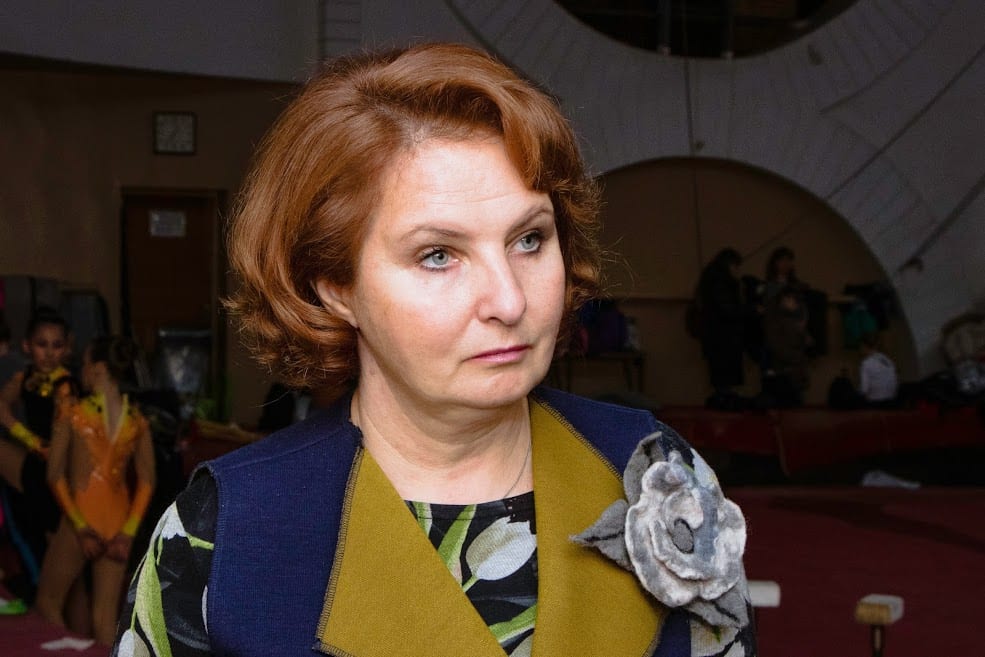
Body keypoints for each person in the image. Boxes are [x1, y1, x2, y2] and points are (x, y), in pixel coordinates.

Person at [113, 43, 755, 657]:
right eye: (439, 255)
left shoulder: (655, 473)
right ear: (335, 285)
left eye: (530, 239)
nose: (509, 300)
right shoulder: (227, 530)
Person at [34, 335, 154, 645]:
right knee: (105, 618)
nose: (82, 371)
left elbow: (54, 475)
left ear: (98, 368)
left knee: (48, 602)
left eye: (86, 364)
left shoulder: (73, 414)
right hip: (118, 523)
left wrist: (80, 526)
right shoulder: (137, 420)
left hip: (82, 518)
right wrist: (128, 532)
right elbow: (147, 481)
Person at [0, 307, 78, 602]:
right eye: (41, 344)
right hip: (37, 458)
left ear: (66, 349)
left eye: (56, 345)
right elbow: (2, 408)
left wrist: (44, 449)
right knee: (31, 524)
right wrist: (32, 442)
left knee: (55, 538)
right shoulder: (26, 377)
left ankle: (48, 598)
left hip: (60, 467)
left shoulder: (65, 385)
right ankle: (36, 586)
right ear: (27, 346)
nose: (48, 353)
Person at [695, 248, 748, 407]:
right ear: (730, 265)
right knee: (726, 374)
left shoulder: (710, 279)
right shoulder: (722, 283)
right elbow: (728, 309)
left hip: (714, 334)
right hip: (724, 335)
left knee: (720, 376)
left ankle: (722, 399)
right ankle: (725, 400)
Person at [762, 286, 811, 407]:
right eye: (788, 299)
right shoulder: (774, 319)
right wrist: (795, 356)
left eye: (793, 300)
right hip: (782, 371)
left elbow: (804, 340)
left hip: (796, 370)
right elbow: (775, 345)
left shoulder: (798, 319)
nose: (792, 302)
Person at [858, 332, 899, 407]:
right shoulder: (887, 360)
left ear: (864, 346)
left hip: (875, 404)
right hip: (892, 402)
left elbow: (864, 389)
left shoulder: (866, 363)